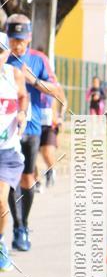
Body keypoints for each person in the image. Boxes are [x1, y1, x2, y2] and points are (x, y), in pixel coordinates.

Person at [6, 15, 62, 251]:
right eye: (12, 39)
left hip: (31, 128)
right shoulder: (2, 57)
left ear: (29, 38)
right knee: (9, 181)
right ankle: (17, 226)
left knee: (27, 178)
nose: (17, 45)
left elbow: (56, 89)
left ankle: (23, 225)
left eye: (21, 40)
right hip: (7, 129)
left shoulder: (39, 60)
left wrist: (34, 81)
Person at [0, 32, 28, 271]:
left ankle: (0, 243)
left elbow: (22, 96)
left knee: (0, 201)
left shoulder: (13, 74)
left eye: (0, 51)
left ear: (7, 53)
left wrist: (21, 113)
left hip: (6, 152)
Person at [31, 47, 65, 189]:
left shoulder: (53, 84)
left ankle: (51, 171)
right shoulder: (32, 83)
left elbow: (63, 100)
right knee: (31, 155)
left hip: (50, 122)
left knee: (46, 152)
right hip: (35, 120)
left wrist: (61, 117)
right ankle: (36, 181)